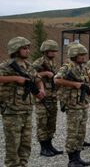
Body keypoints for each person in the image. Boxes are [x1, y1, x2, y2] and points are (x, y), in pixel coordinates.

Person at [0, 37, 46, 167]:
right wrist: (15, 78)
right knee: (13, 146)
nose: (27, 51)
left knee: (26, 145)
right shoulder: (7, 65)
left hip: (26, 111)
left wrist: (41, 89)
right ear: (15, 50)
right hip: (12, 111)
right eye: (24, 48)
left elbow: (37, 79)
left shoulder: (28, 66)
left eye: (28, 48)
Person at [55, 42, 90, 167]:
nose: (83, 57)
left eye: (84, 54)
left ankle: (78, 157)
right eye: (81, 54)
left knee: (81, 132)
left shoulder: (83, 68)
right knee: (73, 132)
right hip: (73, 105)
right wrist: (74, 84)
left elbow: (86, 82)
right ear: (74, 55)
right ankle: (72, 160)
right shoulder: (67, 67)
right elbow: (56, 79)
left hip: (82, 104)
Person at [32, 39, 63, 157]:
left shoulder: (53, 63)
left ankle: (50, 145)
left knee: (51, 122)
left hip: (53, 97)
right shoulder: (38, 63)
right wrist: (44, 74)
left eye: (55, 51)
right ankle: (43, 148)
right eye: (52, 51)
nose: (54, 53)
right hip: (42, 98)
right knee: (42, 122)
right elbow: (29, 77)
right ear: (45, 51)